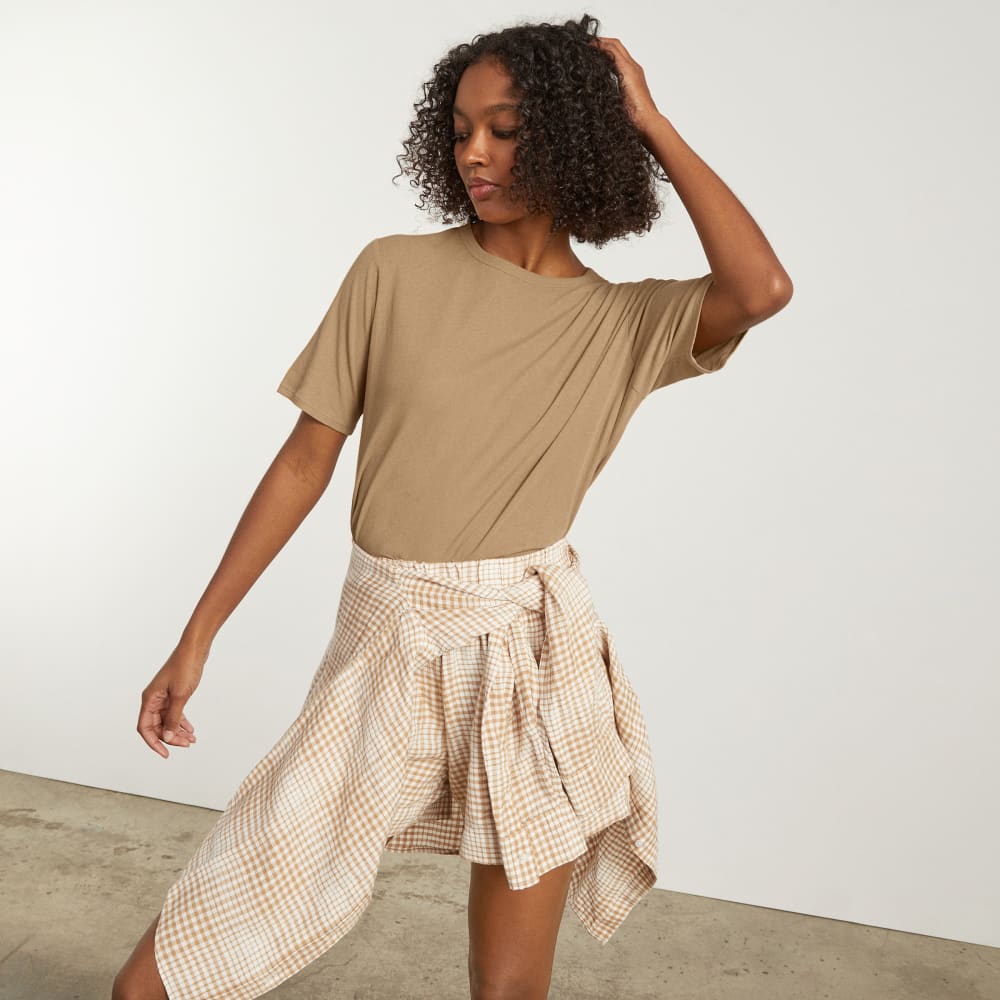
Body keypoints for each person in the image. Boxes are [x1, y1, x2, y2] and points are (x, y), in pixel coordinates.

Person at [112, 13, 791, 1000]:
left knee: (507, 991)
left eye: (505, 130)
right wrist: (197, 637)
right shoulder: (392, 270)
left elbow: (761, 287)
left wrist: (648, 120)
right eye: (462, 128)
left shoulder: (622, 322)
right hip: (385, 643)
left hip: (531, 661)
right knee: (156, 982)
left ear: (571, 140)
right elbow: (304, 461)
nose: (475, 152)